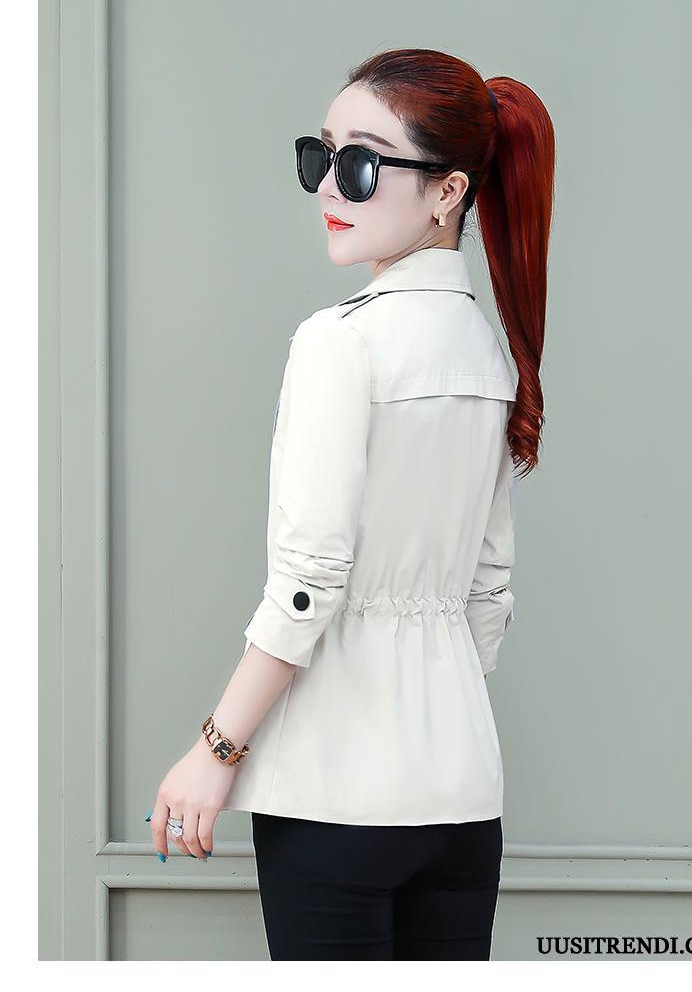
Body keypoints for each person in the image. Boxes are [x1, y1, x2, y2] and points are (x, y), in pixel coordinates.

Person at [147, 47, 555, 960]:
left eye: (362, 162)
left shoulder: (340, 342)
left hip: (332, 798)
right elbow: (488, 590)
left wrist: (215, 750)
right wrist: (428, 705)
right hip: (462, 799)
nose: (330, 185)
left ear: (448, 191)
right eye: (321, 155)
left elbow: (308, 582)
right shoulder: (488, 352)